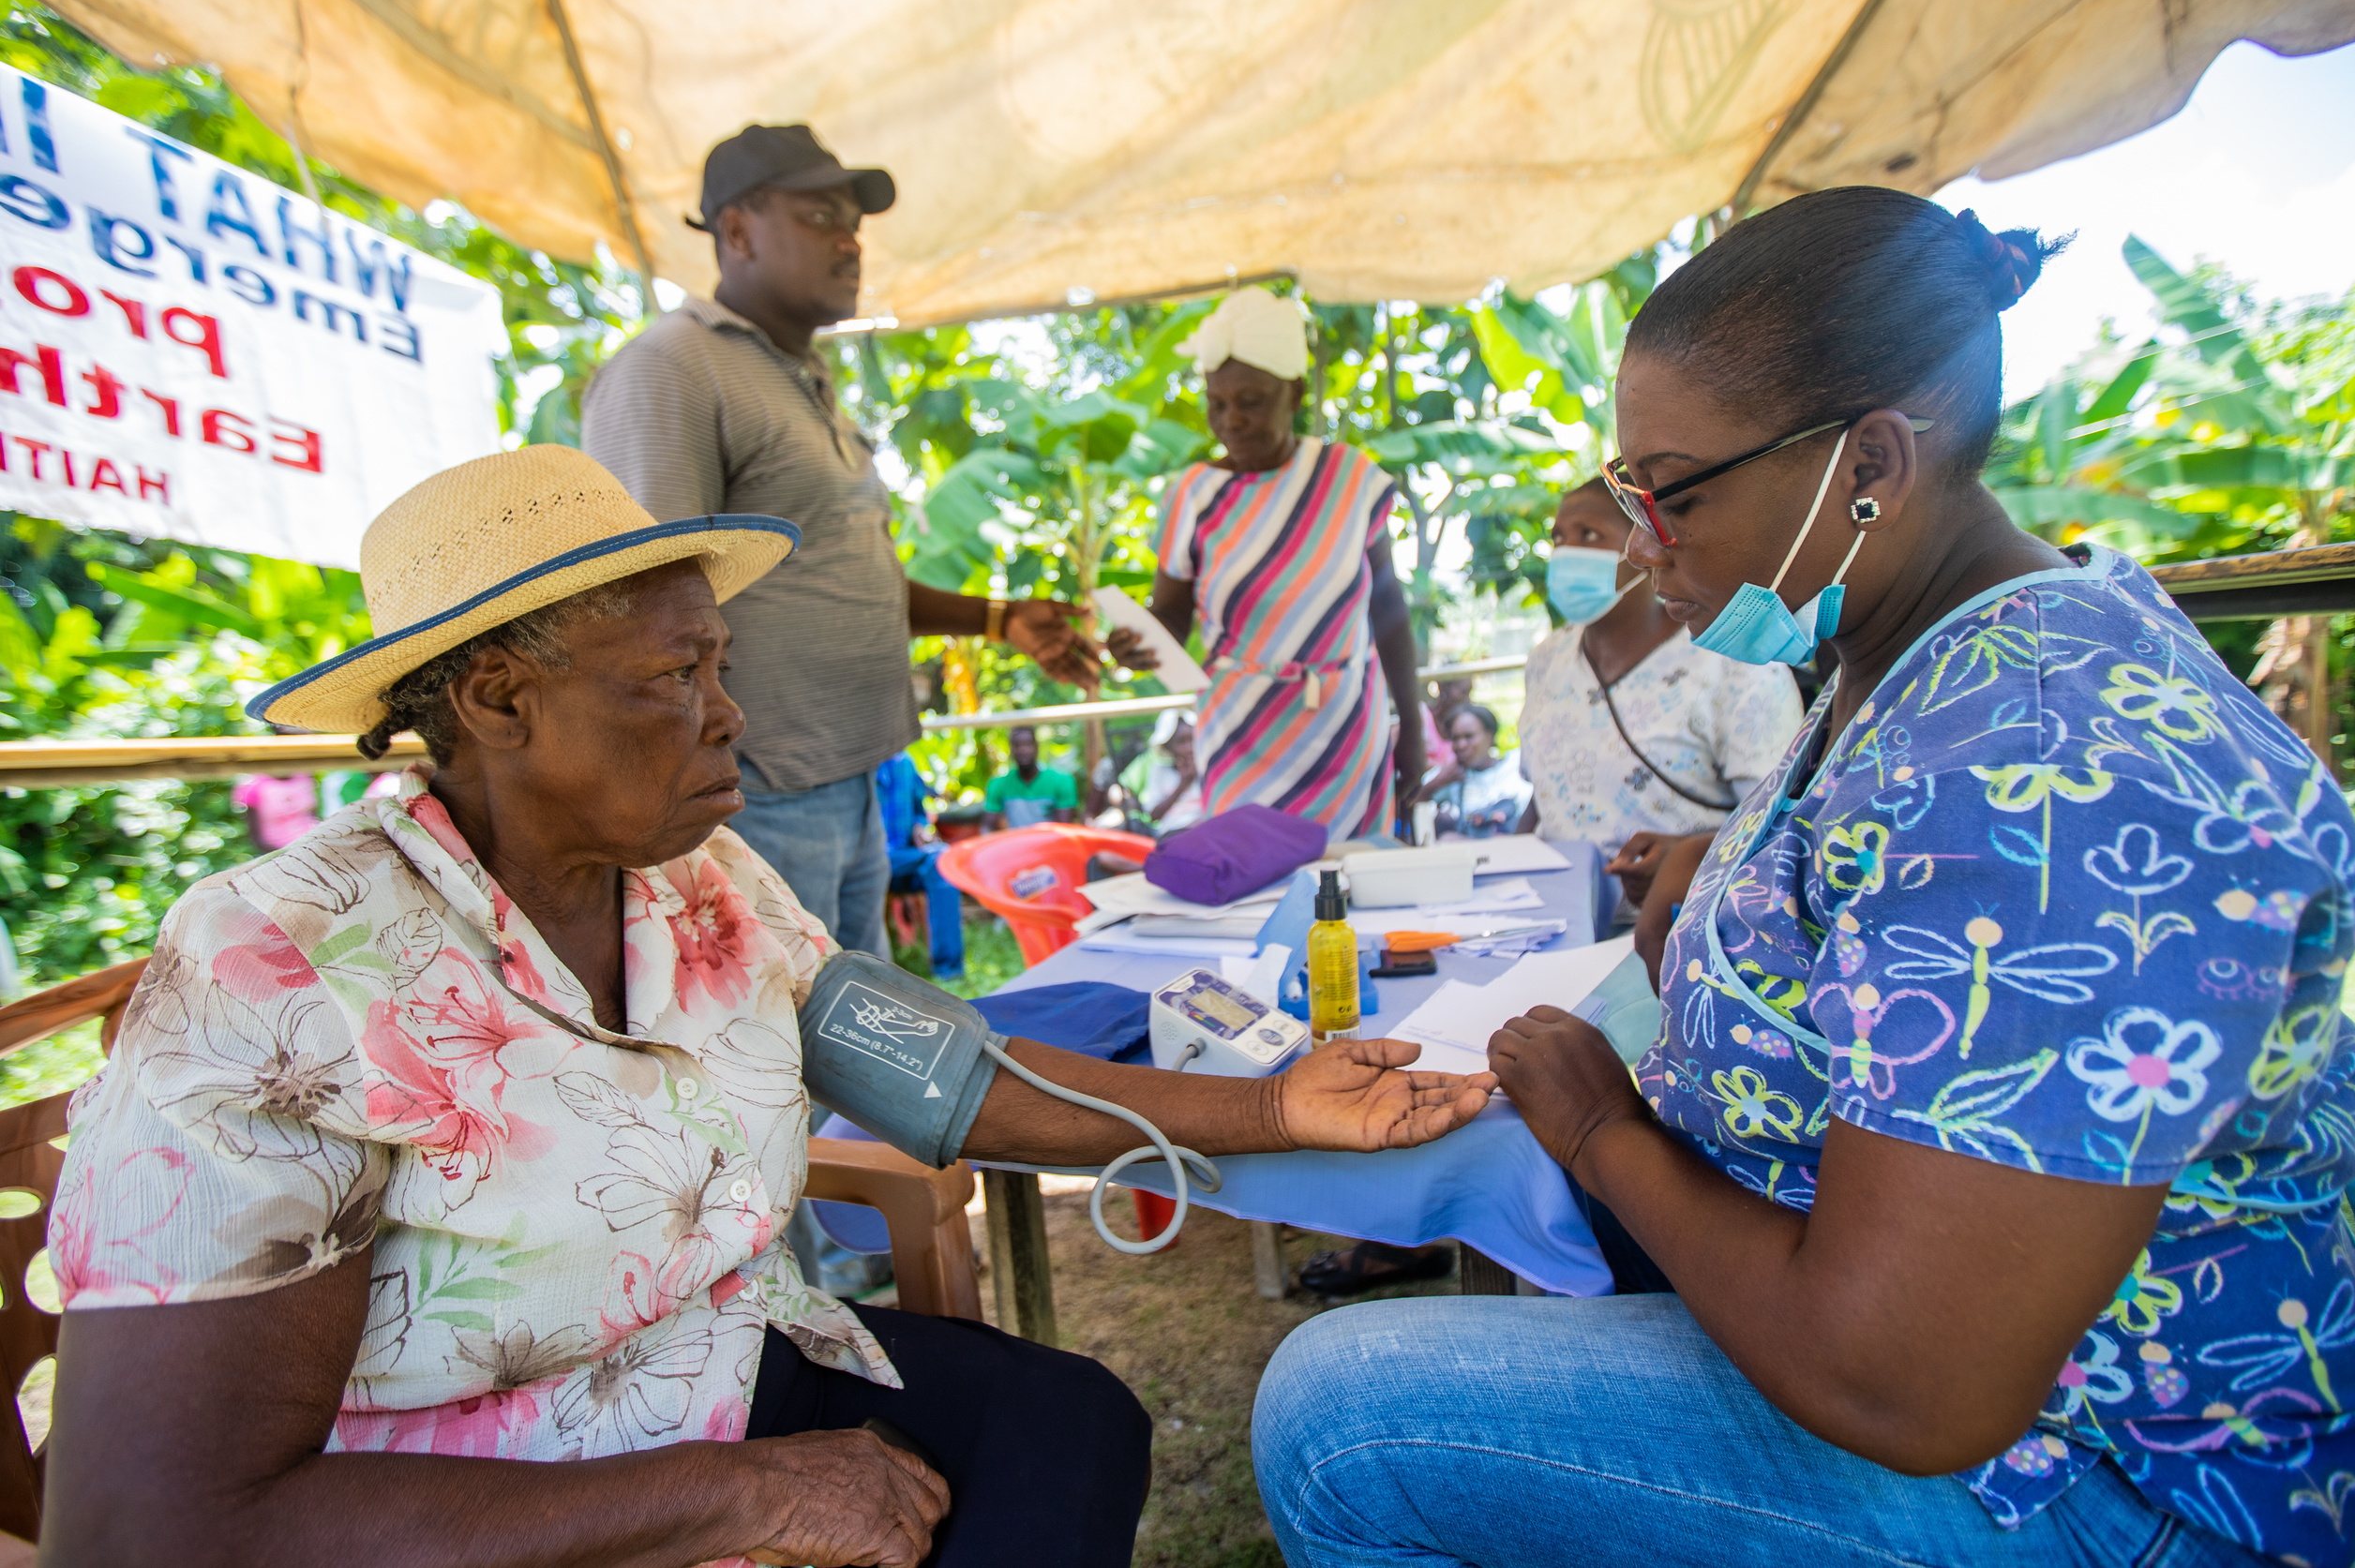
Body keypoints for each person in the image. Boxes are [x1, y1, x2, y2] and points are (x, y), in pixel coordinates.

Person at [38, 447, 1497, 1568]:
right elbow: (152, 1522)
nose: (727, 712)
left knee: (1074, 1426)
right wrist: (736, 1492)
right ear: (495, 699)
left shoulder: (704, 881)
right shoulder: (280, 959)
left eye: (718, 664)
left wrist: (1269, 1104)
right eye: (675, 675)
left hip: (714, 1372)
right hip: (464, 1493)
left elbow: (944, 1073)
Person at [1251, 190, 2355, 1568]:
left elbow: (1904, 1384)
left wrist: (1608, 1130)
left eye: (1670, 491)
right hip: (2020, 1403)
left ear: (1872, 462)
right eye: (1625, 496)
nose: (1638, 546)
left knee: (1341, 1417)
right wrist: (1722, 887)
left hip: (2111, 1472)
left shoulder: (2044, 763)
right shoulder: (1914, 653)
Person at [582, 124, 1100, 960]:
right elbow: (641, 604)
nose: (850, 238)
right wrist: (697, 786)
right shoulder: (672, 369)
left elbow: (843, 573)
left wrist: (1001, 619)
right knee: (775, 1052)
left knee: (854, 1051)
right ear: (738, 231)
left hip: (857, 780)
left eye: (853, 220)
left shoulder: (799, 375)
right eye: (821, 214)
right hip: (757, 794)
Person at [1107, 286, 1424, 839]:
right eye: (1217, 403)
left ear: (1294, 392)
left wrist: (1413, 730)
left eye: (1250, 402)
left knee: (1351, 888)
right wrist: (1136, 646)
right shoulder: (1193, 495)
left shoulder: (1350, 479)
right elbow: (1171, 622)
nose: (1232, 420)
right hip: (1238, 733)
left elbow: (1389, 611)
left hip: (1345, 730)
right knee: (1249, 885)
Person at [1517, 478, 1803, 927]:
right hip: (1558, 923)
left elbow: (1785, 828)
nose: (1567, 552)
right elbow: (1546, 794)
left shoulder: (1736, 665)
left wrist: (1684, 857)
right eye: (1558, 538)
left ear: (1641, 545)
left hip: (1684, 927)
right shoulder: (1547, 661)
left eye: (1589, 534)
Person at [876, 749, 963, 980]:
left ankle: (948, 969)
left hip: (902, 858)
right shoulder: (855, 765)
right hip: (867, 862)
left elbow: (918, 812)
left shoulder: (904, 763)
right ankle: (873, 971)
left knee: (941, 860)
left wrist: (919, 827)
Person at [1422, 702, 1531, 840]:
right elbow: (1413, 803)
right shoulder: (1449, 778)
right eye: (1455, 738)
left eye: (1469, 737)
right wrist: (1437, 783)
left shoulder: (1515, 765)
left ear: (1491, 735)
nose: (1461, 745)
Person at [1110, 710, 1204, 835]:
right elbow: (1153, 816)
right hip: (1174, 833)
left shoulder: (1206, 764)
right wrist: (1183, 784)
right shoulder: (1159, 769)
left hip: (1205, 827)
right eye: (1181, 742)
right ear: (1168, 745)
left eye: (1191, 739)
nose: (1189, 748)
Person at [982, 725, 1080, 830]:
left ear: (1037, 747)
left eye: (1028, 744)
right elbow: (989, 829)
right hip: (1016, 844)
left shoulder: (1062, 781)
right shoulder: (998, 784)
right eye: (1017, 745)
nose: (1023, 750)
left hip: (1049, 843)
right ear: (1011, 749)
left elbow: (1064, 829)